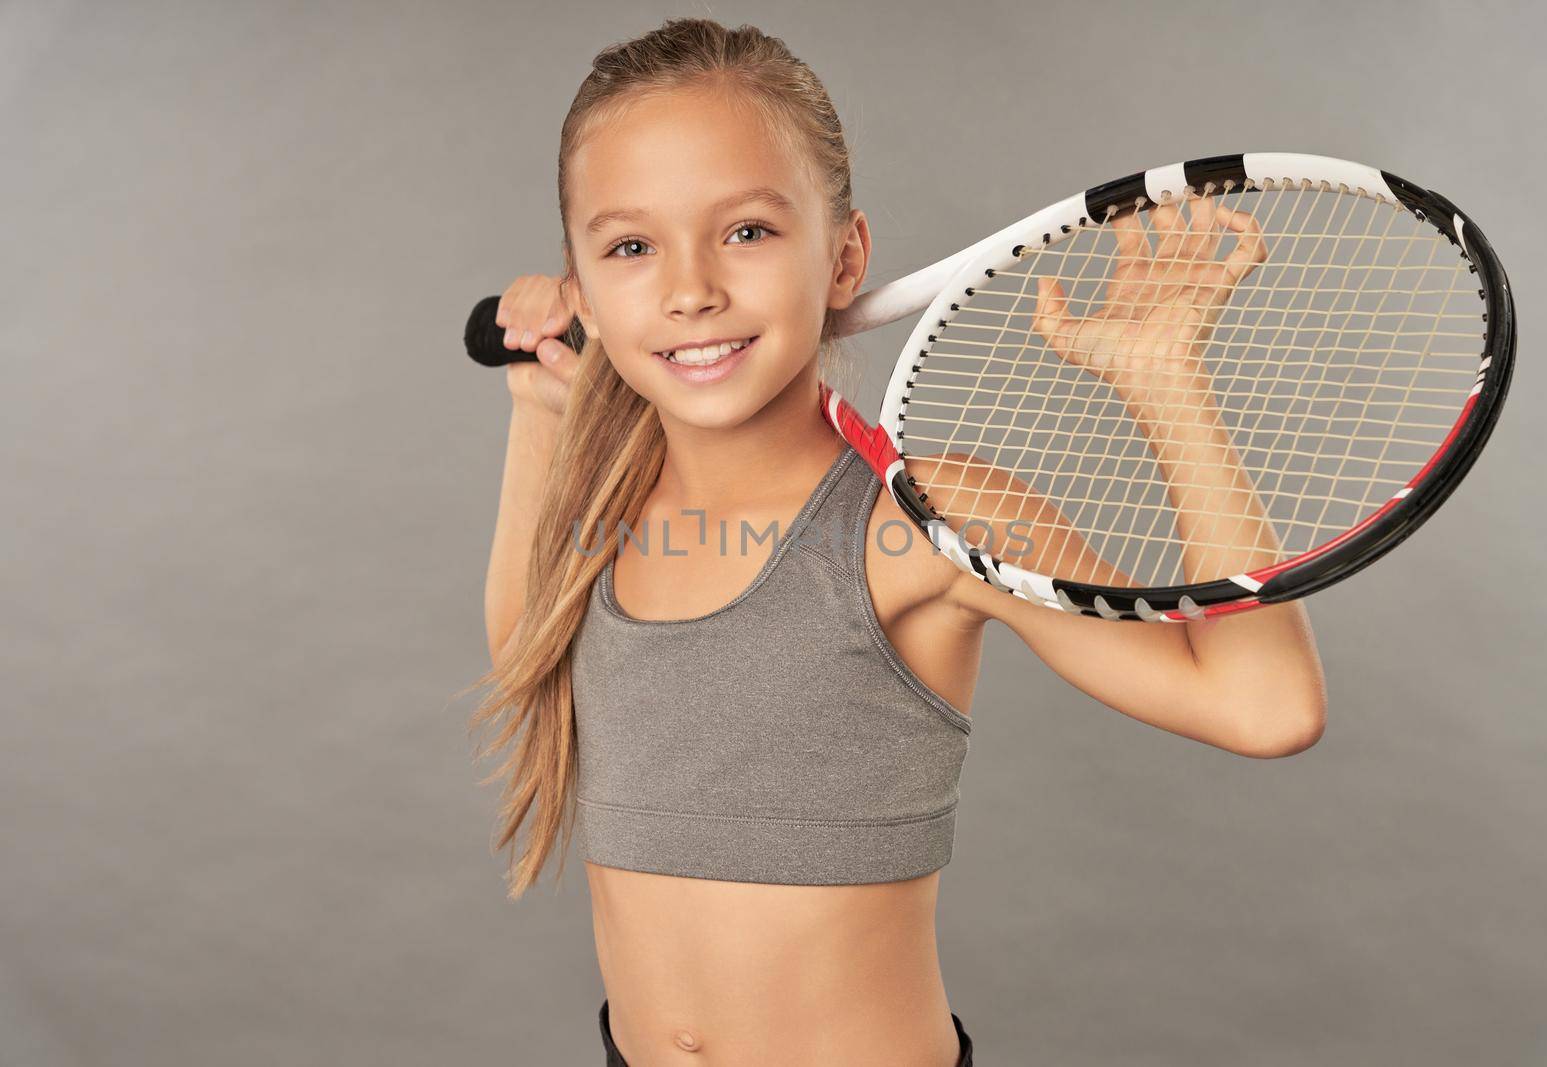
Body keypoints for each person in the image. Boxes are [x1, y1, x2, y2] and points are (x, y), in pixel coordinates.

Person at [467, 16, 1327, 1066]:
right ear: (585, 289)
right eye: (631, 246)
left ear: (844, 257)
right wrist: (540, 413)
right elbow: (524, 654)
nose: (689, 288)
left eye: (745, 231)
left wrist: (1165, 385)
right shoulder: (607, 505)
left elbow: (1266, 708)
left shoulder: (922, 523)